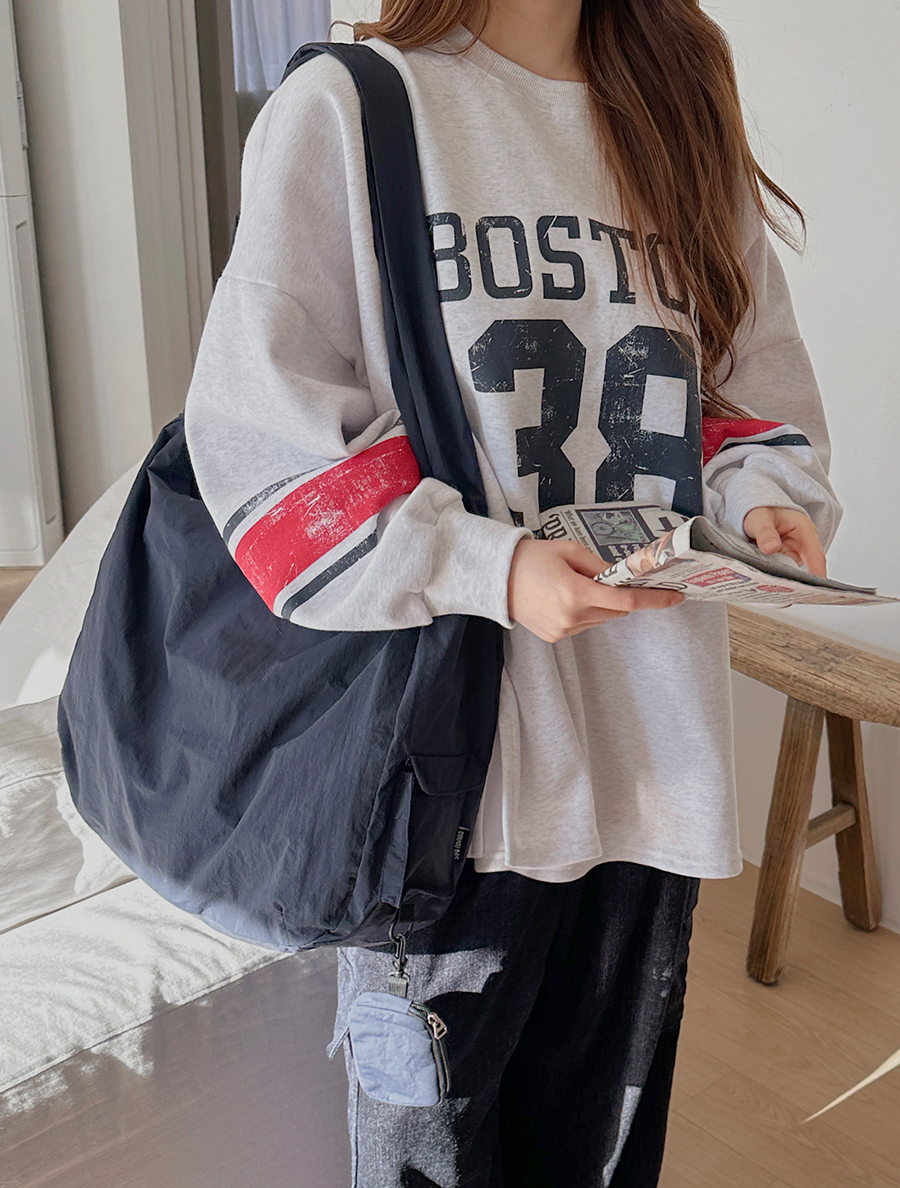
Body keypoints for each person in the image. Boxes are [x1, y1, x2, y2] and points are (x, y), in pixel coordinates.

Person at [184, 1, 841, 1183]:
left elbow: (740, 387)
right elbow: (263, 446)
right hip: (450, 796)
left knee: (604, 1160)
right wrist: (488, 566)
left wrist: (762, 497)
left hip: (652, 756)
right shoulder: (351, 108)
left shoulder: (677, 106)